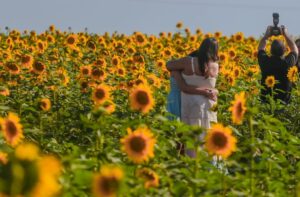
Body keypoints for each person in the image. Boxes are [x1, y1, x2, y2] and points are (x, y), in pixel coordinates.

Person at [166, 37, 219, 157]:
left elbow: (168, 65)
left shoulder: (186, 64)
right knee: (208, 136)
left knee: (186, 137)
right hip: (209, 107)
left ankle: (185, 163)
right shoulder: (215, 66)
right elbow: (212, 87)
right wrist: (213, 91)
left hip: (188, 104)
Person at [257, 25, 298, 104]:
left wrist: (266, 36)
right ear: (285, 50)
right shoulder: (287, 63)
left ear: (270, 50)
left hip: (266, 105)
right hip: (283, 106)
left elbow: (261, 48)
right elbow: (294, 49)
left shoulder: (265, 62)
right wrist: (285, 34)